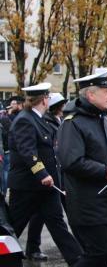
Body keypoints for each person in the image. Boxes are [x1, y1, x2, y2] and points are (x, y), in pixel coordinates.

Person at [57, 69, 107, 266]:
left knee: (106, 256)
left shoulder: (102, 119)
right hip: (86, 203)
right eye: (106, 91)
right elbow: (72, 161)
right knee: (97, 255)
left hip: (106, 204)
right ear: (90, 94)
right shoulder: (73, 123)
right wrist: (106, 172)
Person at [8, 83, 82, 266]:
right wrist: (42, 174)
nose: (50, 100)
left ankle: (78, 260)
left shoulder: (38, 118)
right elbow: (28, 152)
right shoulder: (25, 120)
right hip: (28, 186)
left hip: (45, 187)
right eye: (48, 97)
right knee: (13, 227)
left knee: (57, 222)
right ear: (43, 99)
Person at [25, 92, 68, 261]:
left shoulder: (57, 121)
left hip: (56, 173)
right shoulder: (44, 121)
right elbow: (30, 151)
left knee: (55, 217)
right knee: (37, 216)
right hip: (41, 177)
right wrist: (42, 173)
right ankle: (31, 247)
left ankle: (77, 255)